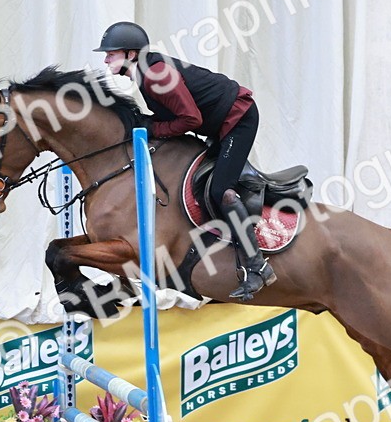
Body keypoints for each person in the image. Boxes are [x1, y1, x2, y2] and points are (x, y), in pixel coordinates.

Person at [94, 21, 275, 301]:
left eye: (111, 54)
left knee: (220, 191)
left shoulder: (154, 74)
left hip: (238, 119)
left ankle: (257, 266)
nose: (106, 59)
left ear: (130, 54)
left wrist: (153, 129)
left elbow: (191, 119)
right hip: (219, 123)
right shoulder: (145, 74)